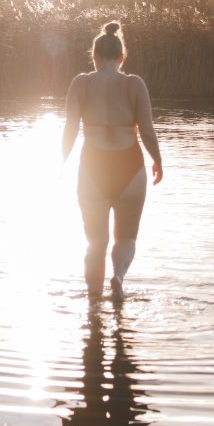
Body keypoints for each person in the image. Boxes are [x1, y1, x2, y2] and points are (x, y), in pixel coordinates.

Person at [62, 22, 163, 302]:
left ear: (94, 56)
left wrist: (59, 163)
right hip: (128, 164)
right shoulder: (134, 84)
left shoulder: (81, 83)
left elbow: (70, 129)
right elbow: (147, 131)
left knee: (96, 242)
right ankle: (117, 278)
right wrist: (158, 162)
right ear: (122, 58)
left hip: (94, 164)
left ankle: (93, 302)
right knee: (126, 237)